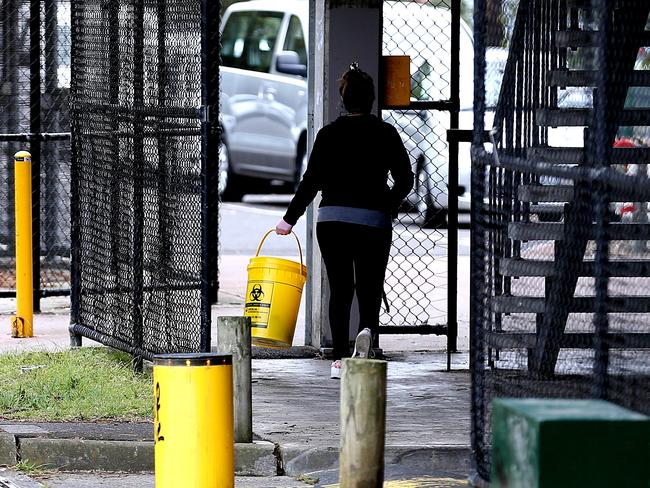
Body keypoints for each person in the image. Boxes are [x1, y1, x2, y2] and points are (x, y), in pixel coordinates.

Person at [275, 63, 414, 379]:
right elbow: (406, 179)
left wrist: (289, 219)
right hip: (372, 222)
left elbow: (310, 182)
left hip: (333, 221)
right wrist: (387, 204)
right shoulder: (386, 133)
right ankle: (368, 347)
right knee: (369, 286)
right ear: (372, 99)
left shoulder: (328, 135)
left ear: (343, 99)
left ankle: (338, 357)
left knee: (340, 288)